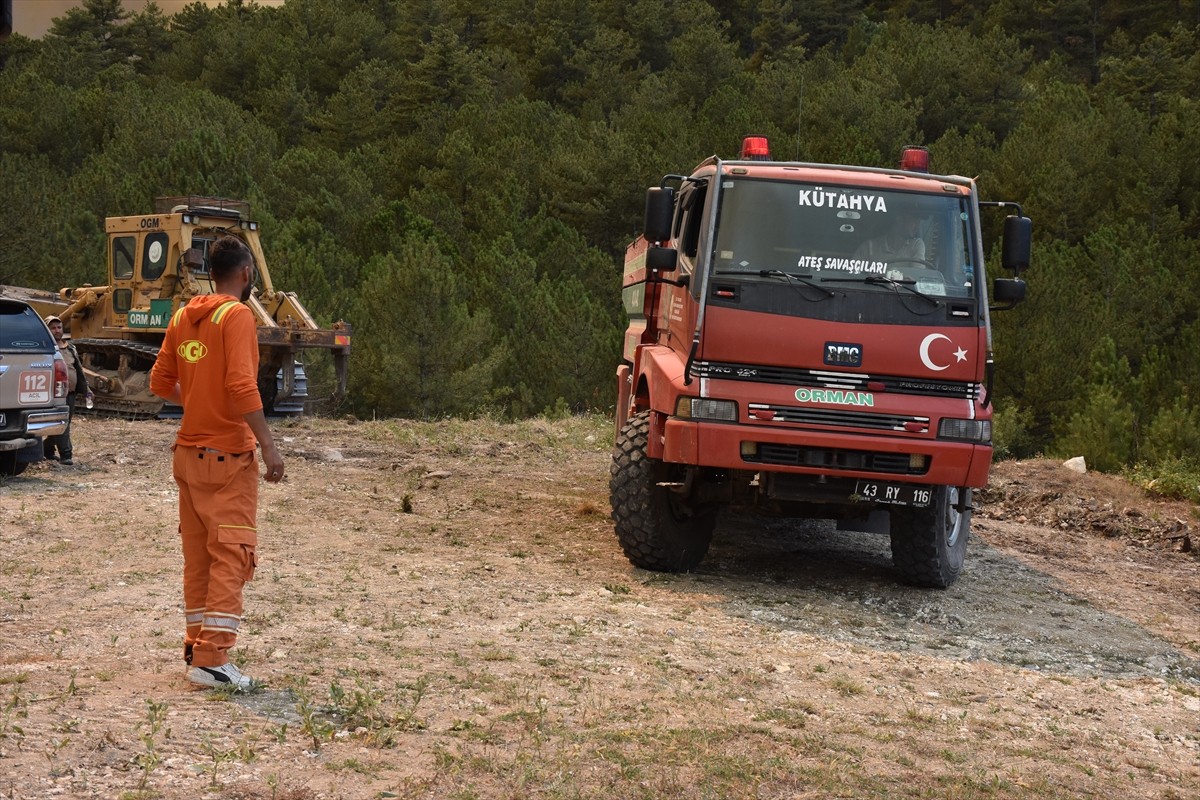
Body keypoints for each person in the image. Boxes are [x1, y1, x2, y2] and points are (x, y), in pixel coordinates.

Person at [149, 235, 284, 692]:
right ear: (246, 274)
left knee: (199, 559)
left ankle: (195, 648)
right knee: (231, 556)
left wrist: (198, 402)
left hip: (188, 456)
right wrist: (269, 446)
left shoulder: (184, 316)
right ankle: (212, 659)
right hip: (228, 457)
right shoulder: (238, 316)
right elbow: (243, 388)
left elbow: (159, 381)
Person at [42, 315, 91, 466]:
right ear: (47, 330)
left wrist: (87, 390)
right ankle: (66, 454)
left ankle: (46, 450)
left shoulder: (70, 348)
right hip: (55, 393)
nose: (57, 331)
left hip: (70, 393)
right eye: (53, 328)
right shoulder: (46, 347)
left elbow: (78, 371)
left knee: (63, 423)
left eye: (59, 327)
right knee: (63, 423)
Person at [855, 211, 927, 263]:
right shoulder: (869, 247)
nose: (917, 226)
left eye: (919, 222)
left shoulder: (916, 245)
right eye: (914, 221)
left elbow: (917, 276)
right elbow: (852, 274)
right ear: (899, 219)